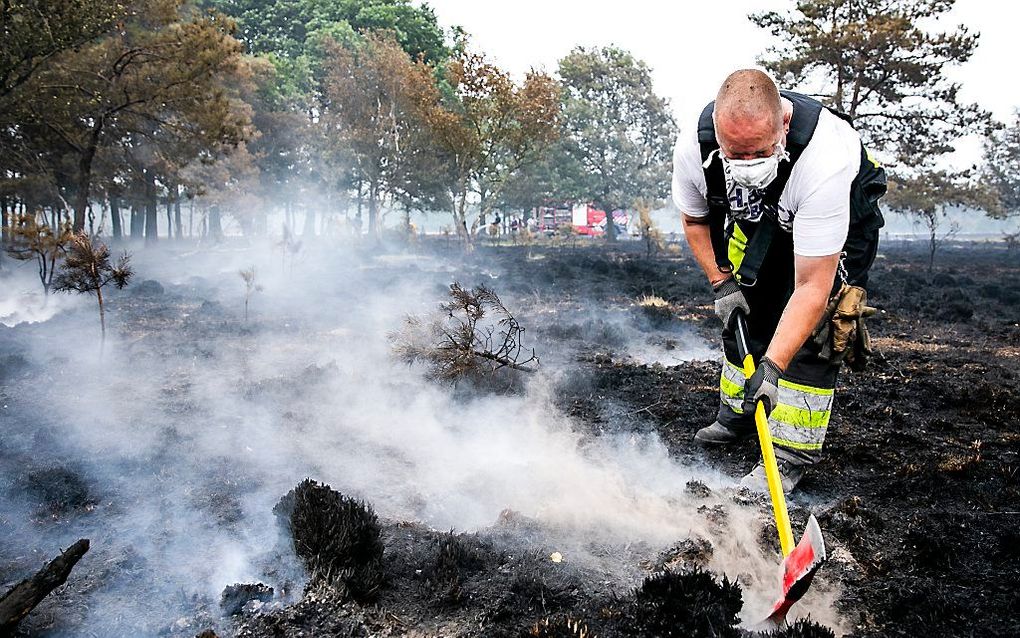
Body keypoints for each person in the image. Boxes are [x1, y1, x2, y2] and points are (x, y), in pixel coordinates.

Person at [672, 69, 886, 493]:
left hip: (840, 210)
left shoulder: (824, 160)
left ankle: (790, 452)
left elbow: (811, 286)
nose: (748, 165)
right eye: (737, 154)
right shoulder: (694, 150)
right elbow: (696, 219)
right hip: (762, 217)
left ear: (783, 125)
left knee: (816, 325)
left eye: (760, 152)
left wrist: (773, 366)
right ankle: (738, 412)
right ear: (718, 132)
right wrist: (722, 283)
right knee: (747, 306)